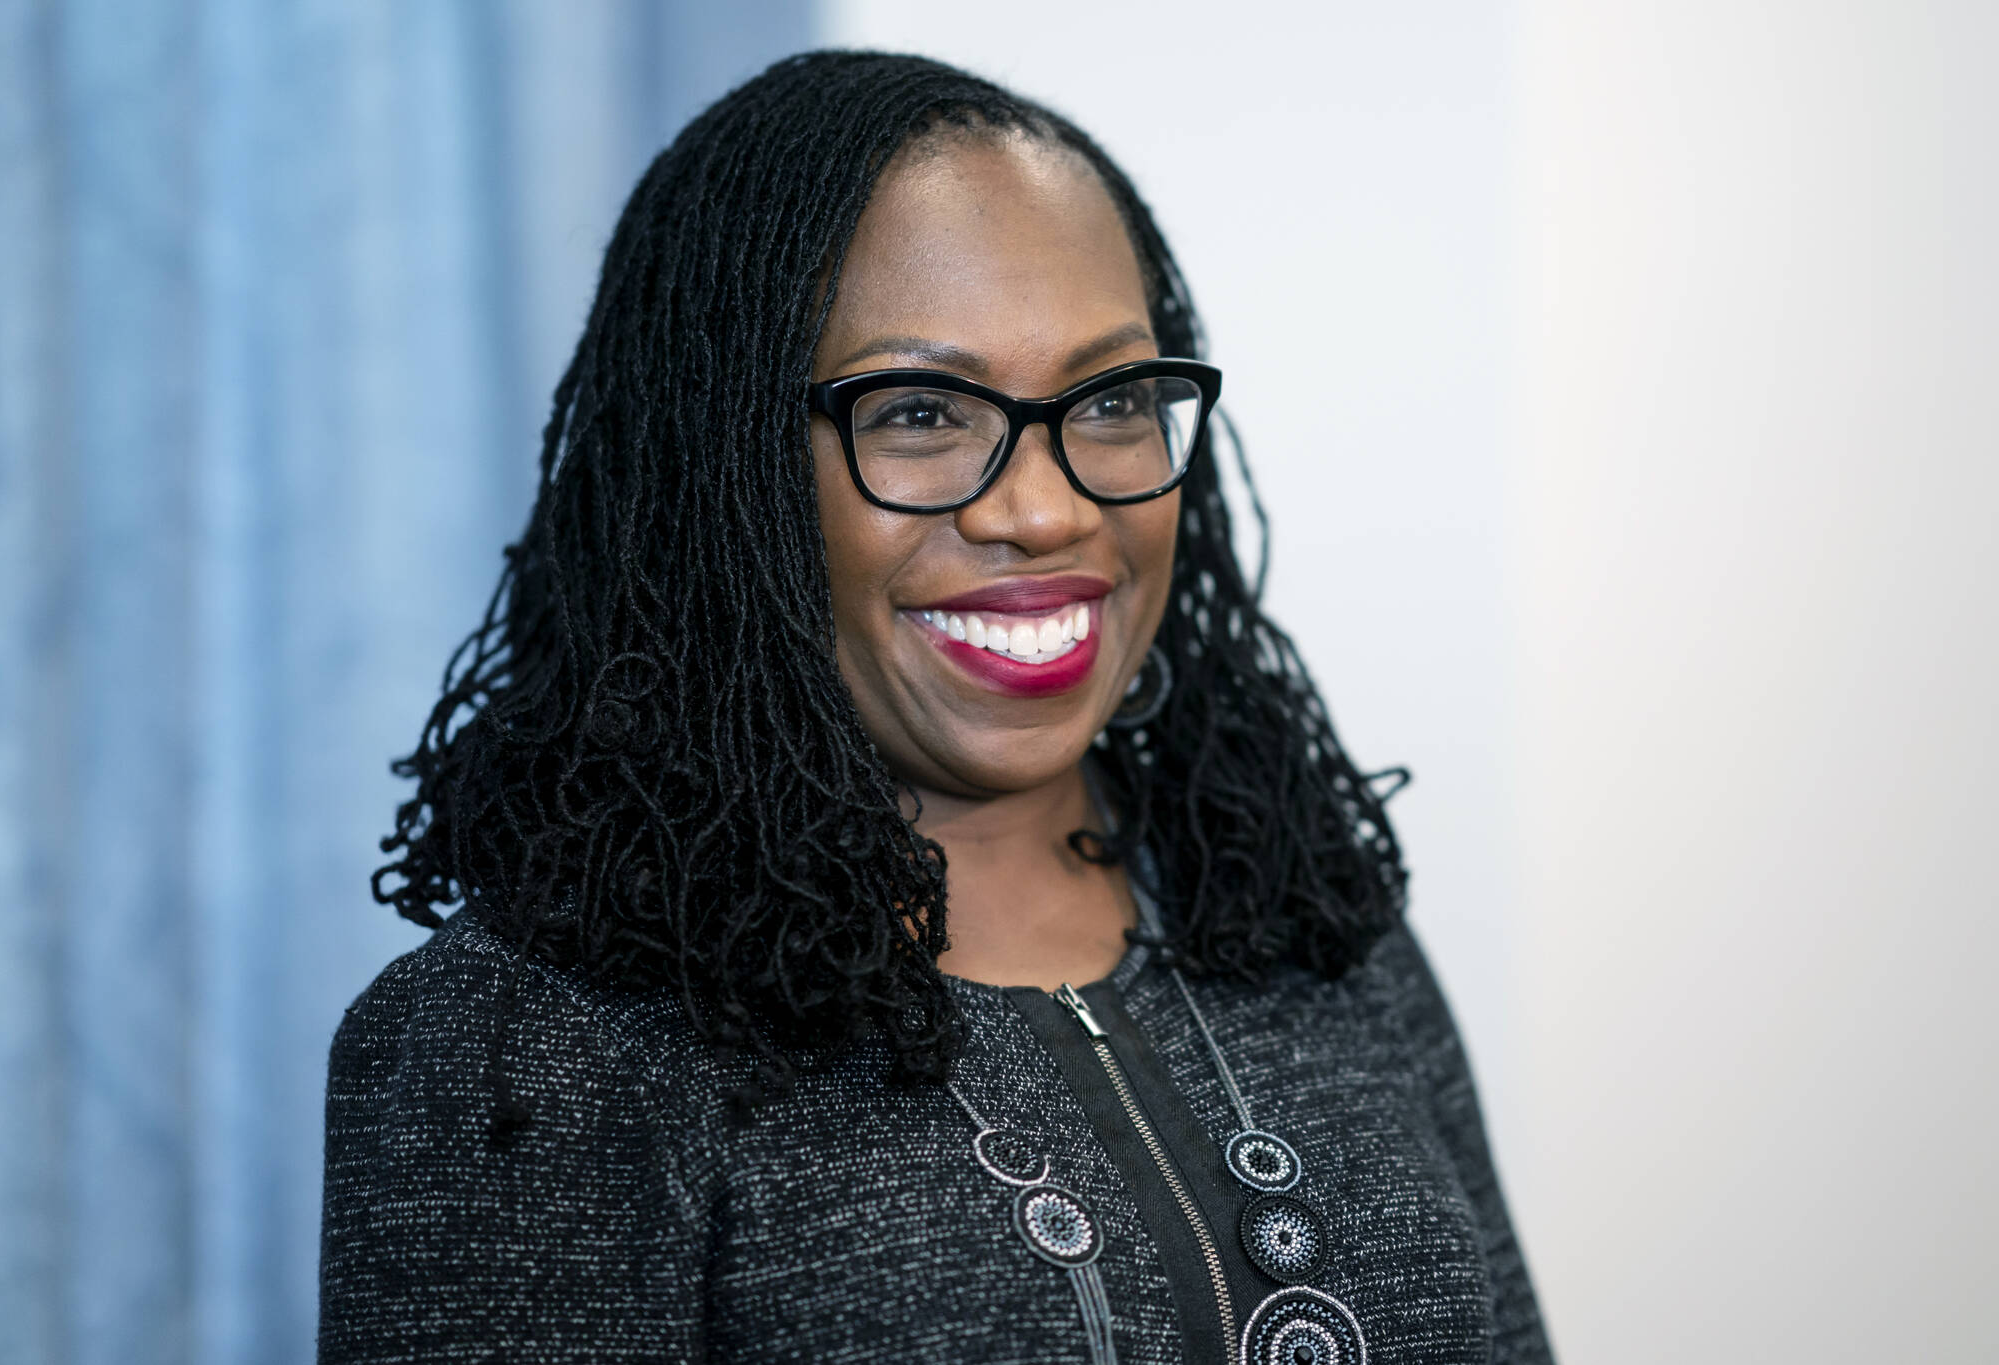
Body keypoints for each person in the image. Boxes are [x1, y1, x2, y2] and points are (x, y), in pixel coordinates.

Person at [319, 50, 1552, 1365]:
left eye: (1115, 399)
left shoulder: (1314, 930)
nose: (1047, 508)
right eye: (919, 412)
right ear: (725, 472)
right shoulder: (532, 1043)